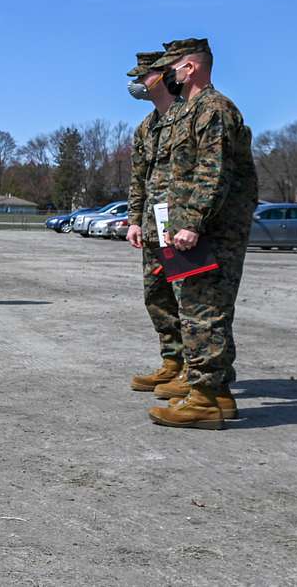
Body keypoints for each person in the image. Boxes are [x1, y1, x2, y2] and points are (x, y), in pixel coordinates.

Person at [143, 38, 259, 430]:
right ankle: (217, 392)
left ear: (189, 68)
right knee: (201, 309)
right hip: (191, 226)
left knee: (203, 311)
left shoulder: (214, 109)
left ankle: (205, 398)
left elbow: (213, 172)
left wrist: (191, 221)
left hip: (211, 229)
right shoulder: (190, 110)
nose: (167, 73)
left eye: (171, 66)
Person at [125, 51, 189, 393]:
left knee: (188, 300)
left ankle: (194, 371)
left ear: (164, 76)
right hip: (152, 227)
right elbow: (139, 178)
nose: (136, 85)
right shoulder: (146, 128)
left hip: (181, 225)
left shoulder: (187, 117)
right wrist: (134, 220)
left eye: (143, 77)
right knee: (157, 297)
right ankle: (172, 361)